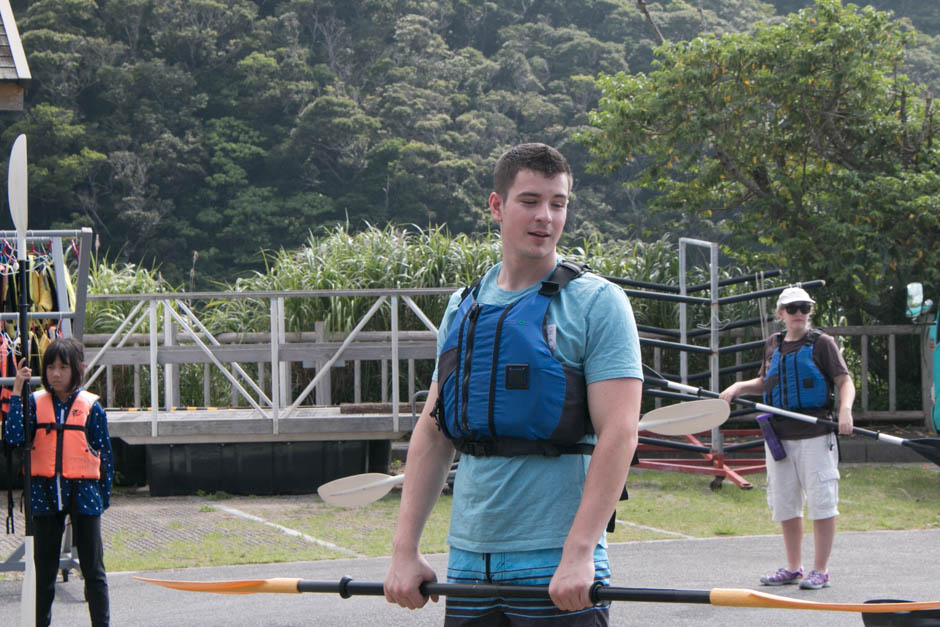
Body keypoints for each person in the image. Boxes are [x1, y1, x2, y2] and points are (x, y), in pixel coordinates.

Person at [383, 143, 643, 625]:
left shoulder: (599, 303)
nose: (546, 216)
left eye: (558, 203)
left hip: (555, 562)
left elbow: (621, 432)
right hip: (467, 561)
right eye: (530, 201)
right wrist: (405, 550)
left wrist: (580, 552)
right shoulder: (463, 306)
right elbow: (434, 432)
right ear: (498, 206)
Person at [719, 286, 854, 591]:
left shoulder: (822, 344)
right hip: (779, 436)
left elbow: (845, 382)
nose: (799, 314)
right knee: (785, 503)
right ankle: (793, 567)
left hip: (815, 434)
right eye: (792, 309)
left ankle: (821, 570)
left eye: (804, 308)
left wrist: (845, 410)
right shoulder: (773, 344)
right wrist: (739, 386)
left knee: (822, 502)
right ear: (781, 313)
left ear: (810, 311)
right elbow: (767, 383)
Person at [4, 337, 113, 626]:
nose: (55, 373)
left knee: (93, 571)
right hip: (43, 495)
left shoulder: (92, 408)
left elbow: (105, 456)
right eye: (50, 367)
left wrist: (103, 498)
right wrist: (16, 392)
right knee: (44, 574)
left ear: (78, 369)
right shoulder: (33, 402)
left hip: (84, 494)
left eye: (63, 367)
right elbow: (14, 437)